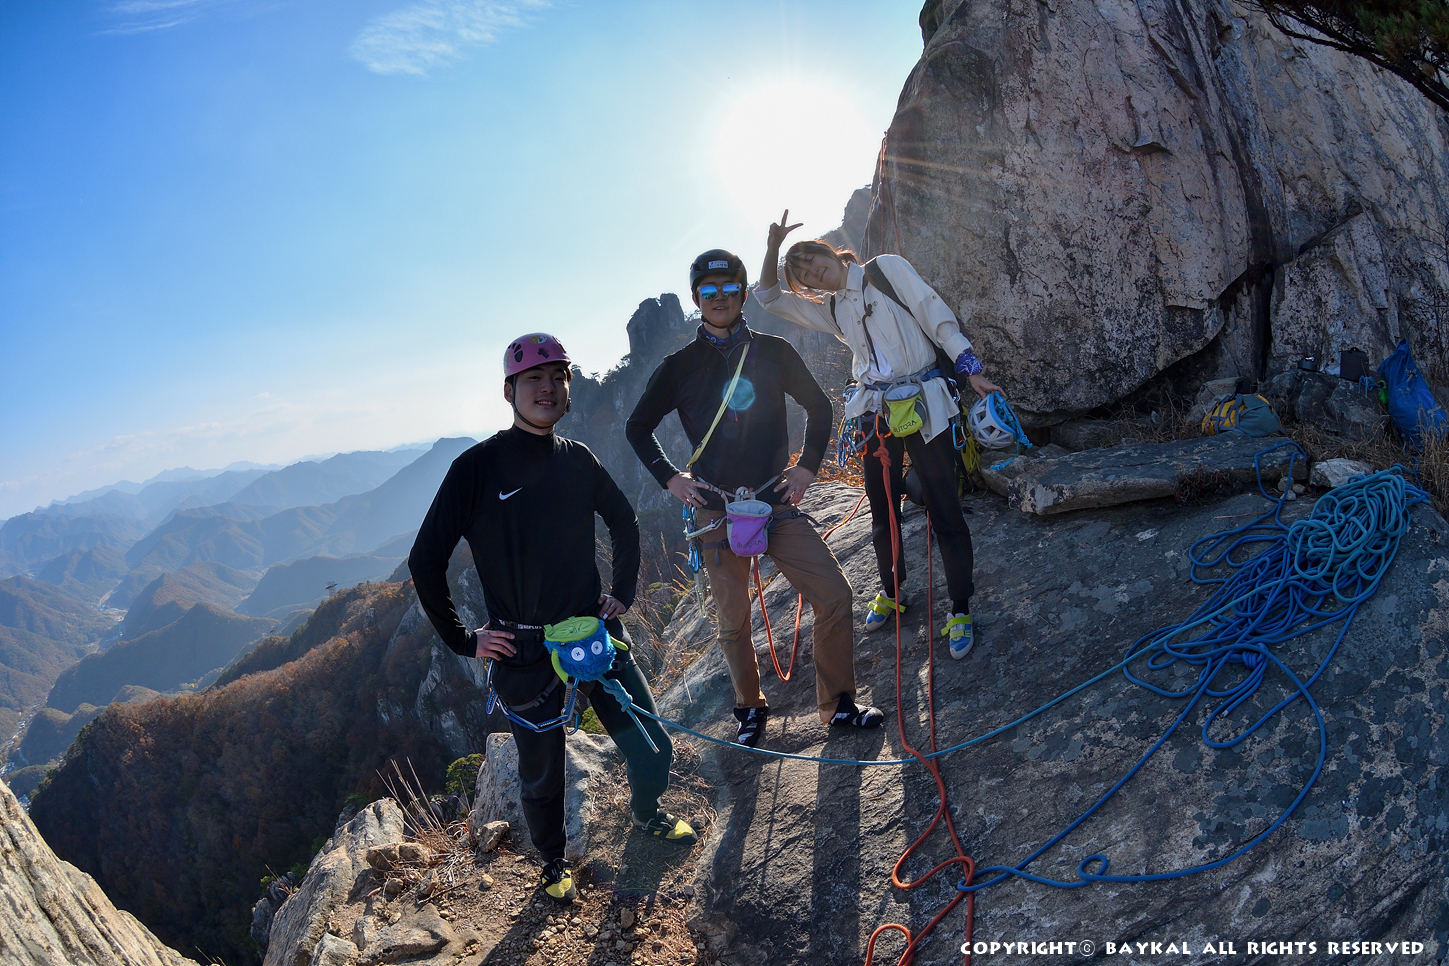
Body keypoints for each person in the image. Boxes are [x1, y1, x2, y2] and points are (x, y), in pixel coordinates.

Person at [408, 333, 696, 907]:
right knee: (542, 775)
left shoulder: (578, 459)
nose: (548, 387)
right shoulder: (476, 468)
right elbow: (425, 558)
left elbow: (624, 520)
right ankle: (552, 863)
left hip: (592, 635)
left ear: (568, 388)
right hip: (524, 650)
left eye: (558, 377)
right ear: (509, 391)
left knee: (652, 744)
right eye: (534, 379)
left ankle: (646, 813)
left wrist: (622, 593)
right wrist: (464, 640)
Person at [626, 249, 884, 749]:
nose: (719, 298)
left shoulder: (773, 351)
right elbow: (637, 426)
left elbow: (818, 405)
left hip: (774, 498)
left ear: (744, 294)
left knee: (834, 594)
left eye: (729, 289)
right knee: (732, 620)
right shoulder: (680, 366)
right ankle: (749, 706)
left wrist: (807, 467)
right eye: (709, 291)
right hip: (716, 508)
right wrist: (670, 478)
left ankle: (837, 704)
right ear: (697, 299)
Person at [754, 211, 1002, 661]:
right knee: (882, 508)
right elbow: (769, 297)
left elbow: (932, 310)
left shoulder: (885, 270)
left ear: (830, 251)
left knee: (944, 506)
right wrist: (773, 248)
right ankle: (892, 590)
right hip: (874, 410)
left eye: (812, 261)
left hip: (925, 400)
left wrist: (969, 366)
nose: (813, 272)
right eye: (804, 275)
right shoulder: (832, 308)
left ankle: (960, 608)